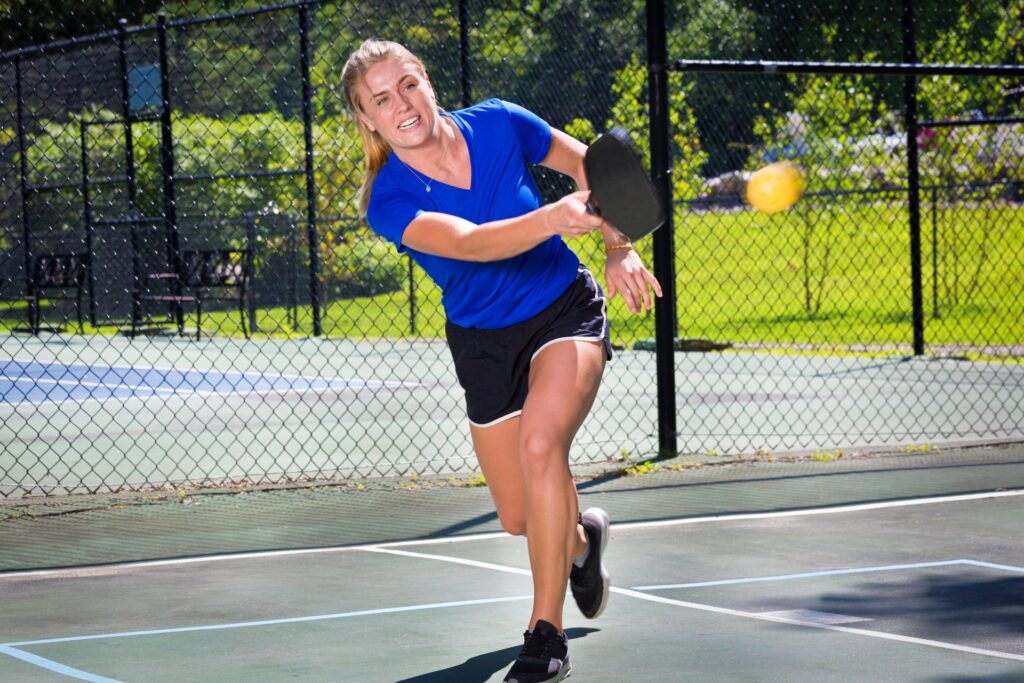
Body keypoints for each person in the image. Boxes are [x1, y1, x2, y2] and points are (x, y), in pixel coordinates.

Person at [342, 39, 661, 683]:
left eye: (407, 84)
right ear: (368, 120)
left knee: (544, 449)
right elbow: (473, 244)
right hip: (483, 344)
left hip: (561, 310)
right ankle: (580, 544)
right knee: (521, 517)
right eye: (381, 99)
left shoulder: (498, 120)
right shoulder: (388, 199)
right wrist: (551, 217)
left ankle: (545, 637)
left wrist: (617, 244)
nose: (400, 103)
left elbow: (594, 165)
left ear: (426, 82)